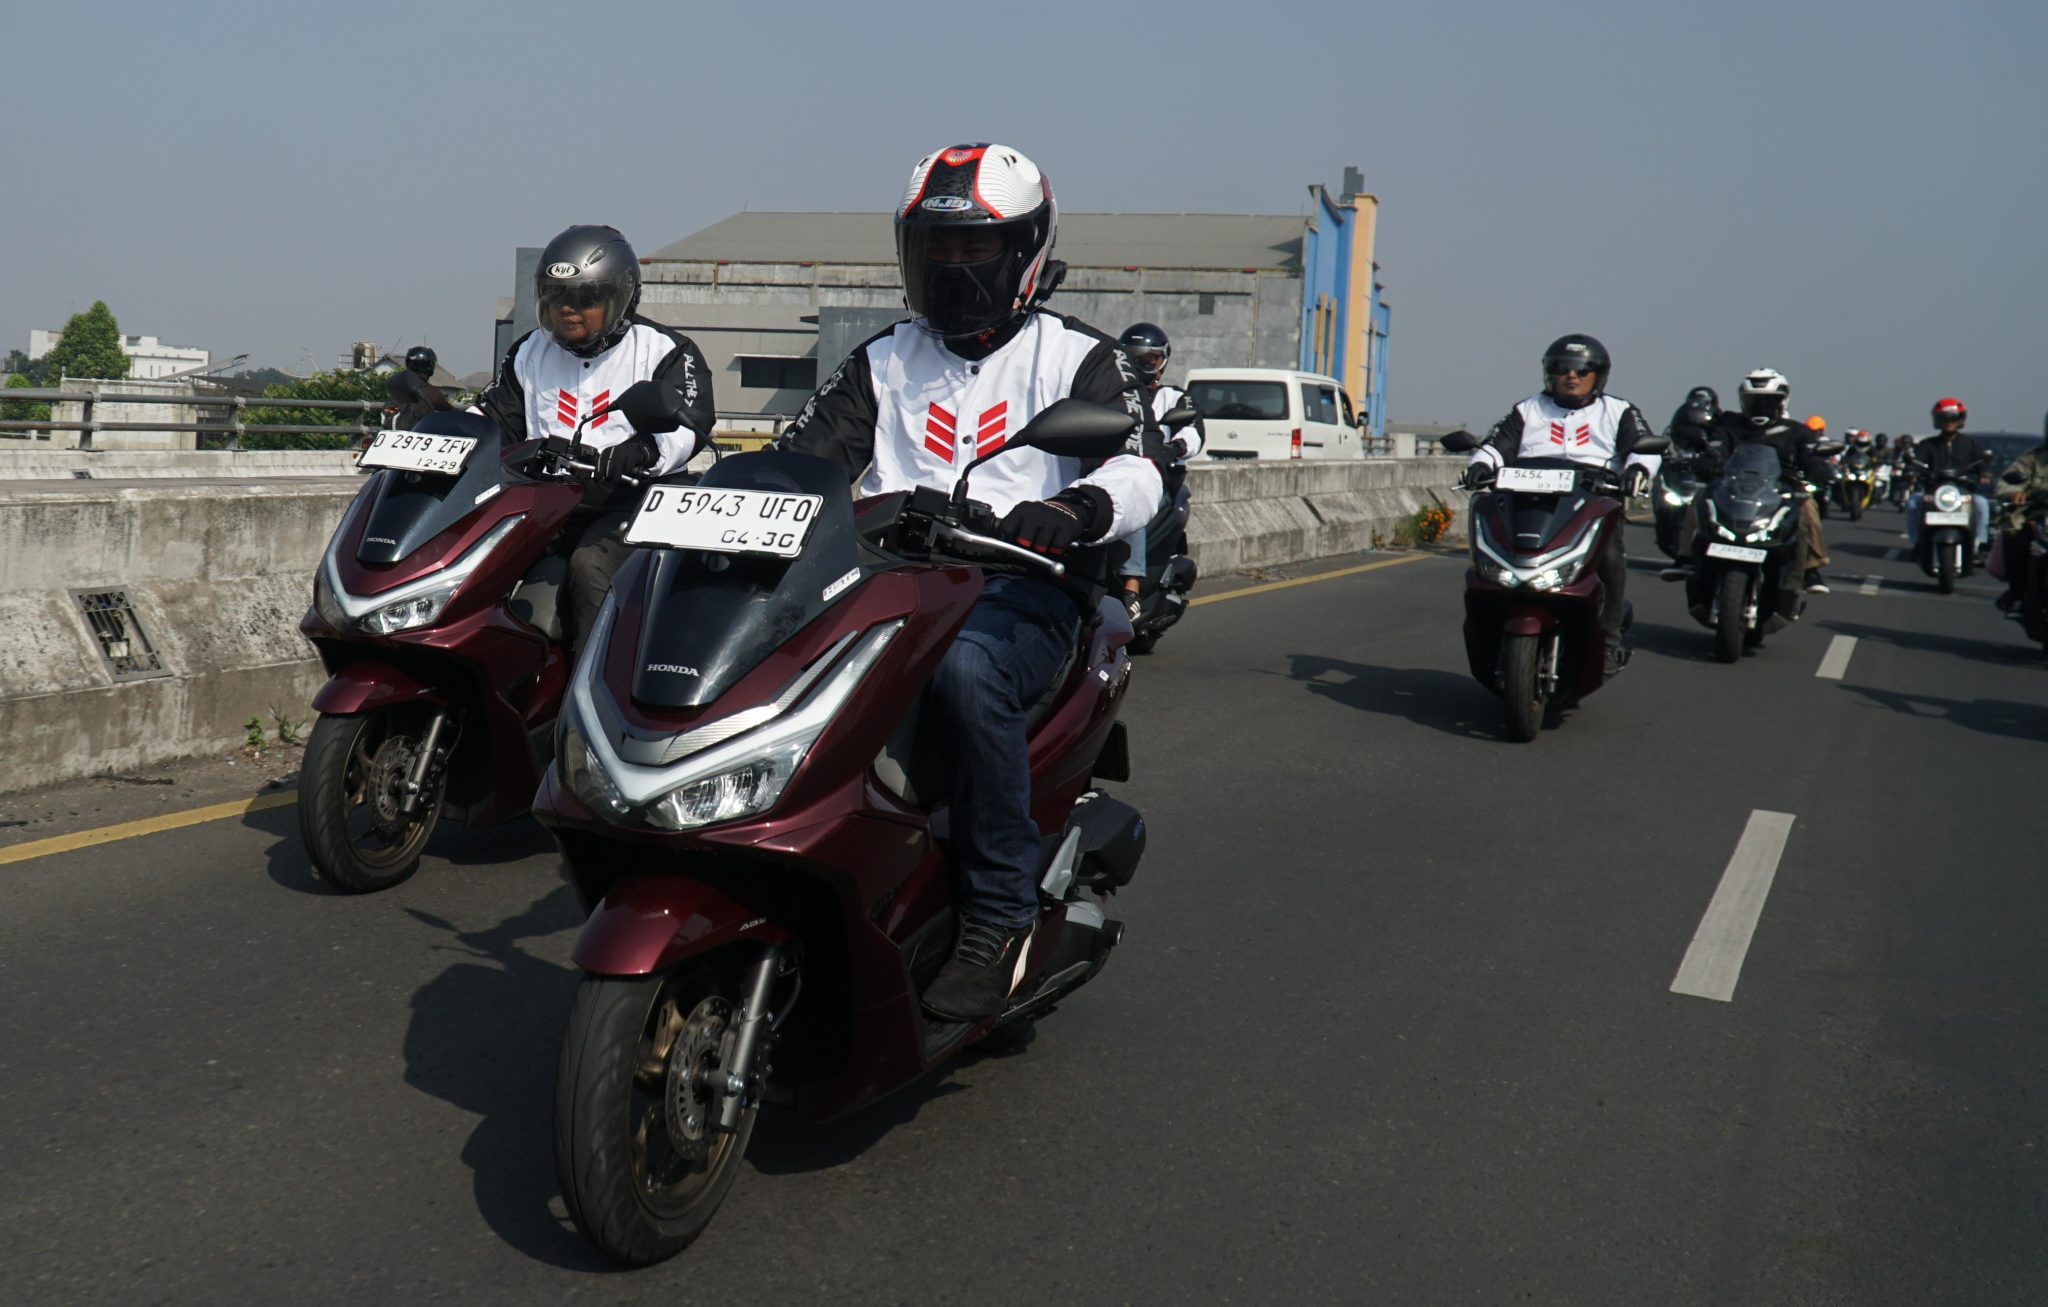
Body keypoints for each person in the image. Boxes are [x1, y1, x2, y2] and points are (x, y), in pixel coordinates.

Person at [779, 143, 1164, 1022]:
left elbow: (1140, 467)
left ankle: (999, 910)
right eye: (937, 248)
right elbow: (801, 460)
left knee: (964, 671)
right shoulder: (883, 359)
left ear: (1024, 250)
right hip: (884, 582)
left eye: (975, 247)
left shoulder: (1079, 357)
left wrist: (1075, 508)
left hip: (1021, 588)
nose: (953, 266)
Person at [477, 224, 713, 651]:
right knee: (478, 557)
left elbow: (689, 422)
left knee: (589, 569)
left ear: (620, 297)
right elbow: (492, 417)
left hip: (629, 501)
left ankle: (597, 686)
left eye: (585, 299)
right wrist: (442, 436)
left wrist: (644, 450)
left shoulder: (665, 350)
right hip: (543, 503)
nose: (568, 309)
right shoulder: (529, 350)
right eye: (556, 297)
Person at [1460, 333, 1653, 678]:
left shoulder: (1619, 411)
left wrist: (1638, 470)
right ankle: (1487, 626)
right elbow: (1495, 445)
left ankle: (1610, 638)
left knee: (1611, 555)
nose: (1571, 376)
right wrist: (1480, 466)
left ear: (1599, 375)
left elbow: (1641, 446)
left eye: (1582, 370)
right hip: (1527, 498)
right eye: (1563, 368)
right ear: (1550, 373)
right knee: (1491, 548)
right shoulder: (1528, 409)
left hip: (1593, 498)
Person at [1115, 321, 1205, 617]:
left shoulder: (1174, 397)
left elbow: (1193, 430)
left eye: (1148, 359)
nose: (1140, 365)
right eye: (1132, 357)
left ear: (1162, 361)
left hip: (1158, 480)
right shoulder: (1111, 395)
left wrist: (1175, 448)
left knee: (1132, 501)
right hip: (1110, 470)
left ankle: (1131, 588)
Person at [1903, 397, 1992, 558]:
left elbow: (1982, 463)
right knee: (1913, 503)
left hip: (1964, 493)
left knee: (1982, 504)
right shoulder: (1927, 445)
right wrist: (1912, 472)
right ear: (1937, 420)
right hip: (1933, 492)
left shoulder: (1971, 444)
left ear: (1961, 420)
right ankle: (1917, 543)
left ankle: (1979, 544)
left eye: (1953, 418)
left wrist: (1985, 474)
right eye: (1944, 418)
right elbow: (1916, 462)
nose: (1949, 422)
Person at [1992, 413, 2048, 613]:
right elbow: (2006, 482)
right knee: (2015, 532)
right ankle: (2017, 591)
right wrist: (2014, 493)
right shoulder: (2033, 458)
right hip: (2038, 514)